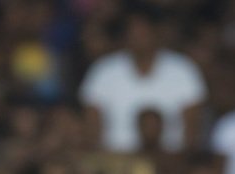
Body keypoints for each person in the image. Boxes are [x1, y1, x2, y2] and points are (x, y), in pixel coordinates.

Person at [80, 7, 207, 153]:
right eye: (132, 30)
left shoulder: (183, 70)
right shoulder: (103, 72)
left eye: (143, 30)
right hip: (117, 162)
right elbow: (92, 131)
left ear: (157, 31)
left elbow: (192, 132)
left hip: (169, 163)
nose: (138, 36)